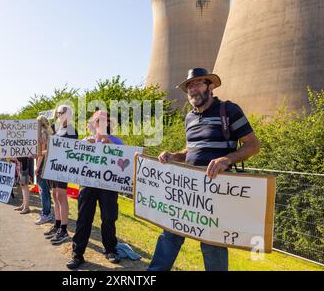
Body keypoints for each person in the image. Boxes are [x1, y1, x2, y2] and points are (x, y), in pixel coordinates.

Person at [147, 68, 261, 271]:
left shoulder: (229, 110)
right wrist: (174, 156)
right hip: (187, 190)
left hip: (215, 192)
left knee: (212, 244)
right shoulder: (189, 118)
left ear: (211, 86)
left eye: (198, 83)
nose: (193, 89)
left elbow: (253, 145)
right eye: (190, 86)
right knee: (169, 233)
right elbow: (191, 151)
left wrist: (226, 159)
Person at [66, 110, 123, 270]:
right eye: (98, 121)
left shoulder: (117, 141)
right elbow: (74, 161)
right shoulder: (86, 140)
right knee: (84, 219)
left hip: (109, 186)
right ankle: (77, 254)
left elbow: (126, 161)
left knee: (109, 218)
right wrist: (84, 147)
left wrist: (111, 146)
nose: (101, 124)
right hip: (88, 185)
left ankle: (110, 249)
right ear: (93, 124)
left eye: (105, 121)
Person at [44, 105, 78, 245]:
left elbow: (70, 148)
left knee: (61, 196)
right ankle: (58, 225)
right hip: (53, 166)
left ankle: (64, 230)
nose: (58, 115)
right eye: (57, 113)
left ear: (68, 114)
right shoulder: (56, 128)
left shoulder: (71, 129)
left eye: (61, 113)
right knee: (55, 195)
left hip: (63, 167)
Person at [35, 115, 54, 225]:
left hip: (43, 164)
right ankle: (46, 212)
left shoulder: (42, 133)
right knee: (45, 190)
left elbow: (41, 153)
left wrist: (37, 167)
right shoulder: (49, 132)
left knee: (43, 190)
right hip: (48, 164)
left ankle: (46, 213)